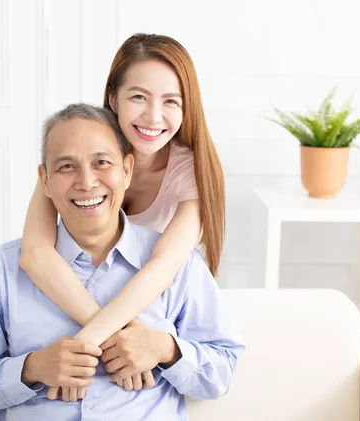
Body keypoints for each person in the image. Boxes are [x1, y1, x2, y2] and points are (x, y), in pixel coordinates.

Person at [0, 104, 244, 421]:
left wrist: (165, 349)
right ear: (44, 180)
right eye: (66, 167)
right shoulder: (0, 271)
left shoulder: (181, 266)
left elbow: (222, 371)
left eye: (102, 163)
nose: (86, 182)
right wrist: (32, 368)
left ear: (127, 170)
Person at [19, 33, 225, 399]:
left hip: (157, 313)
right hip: (93, 308)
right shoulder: (78, 155)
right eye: (138, 98)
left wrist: (92, 343)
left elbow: (162, 269)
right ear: (113, 98)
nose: (153, 116)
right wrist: (109, 341)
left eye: (171, 102)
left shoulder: (190, 171)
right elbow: (36, 255)